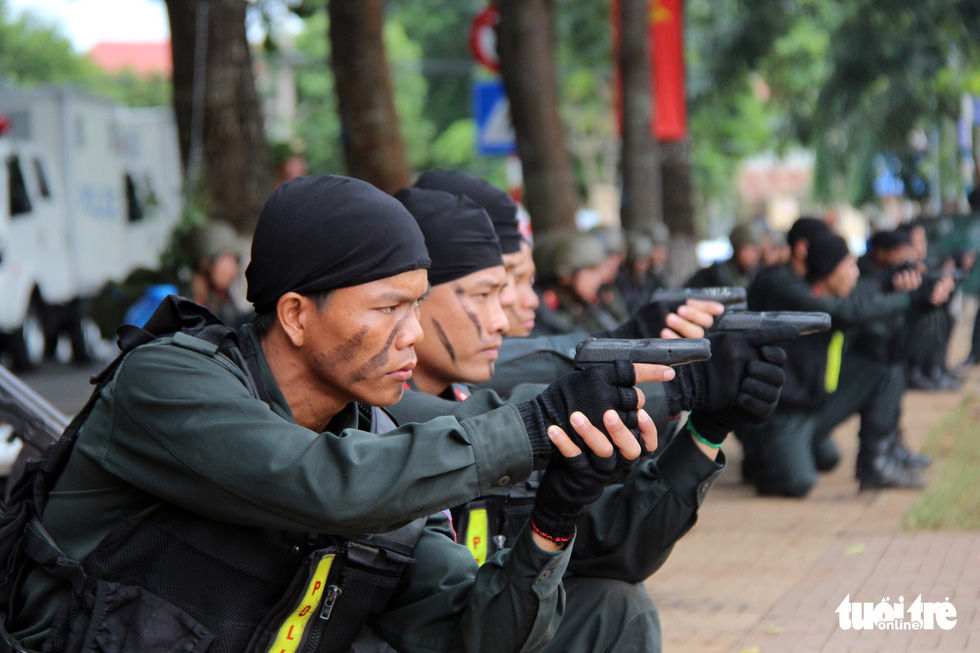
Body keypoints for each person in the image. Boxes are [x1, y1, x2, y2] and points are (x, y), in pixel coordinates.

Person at [4, 175, 660, 652]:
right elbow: (325, 483)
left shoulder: (376, 441)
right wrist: (530, 427)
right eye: (386, 308)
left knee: (613, 608)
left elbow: (479, 634)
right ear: (294, 314)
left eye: (415, 306)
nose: (412, 334)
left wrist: (553, 520)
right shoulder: (168, 381)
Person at [389, 186, 791, 652]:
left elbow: (614, 548)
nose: (509, 314)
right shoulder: (376, 419)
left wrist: (708, 429)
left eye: (513, 285)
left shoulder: (477, 391)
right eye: (486, 293)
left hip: (487, 626)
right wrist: (671, 383)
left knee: (615, 606)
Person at [746, 219, 937, 491]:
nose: (854, 273)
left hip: (811, 401)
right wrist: (908, 298)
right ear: (804, 250)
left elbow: (871, 320)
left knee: (884, 372)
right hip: (778, 409)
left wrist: (911, 295)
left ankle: (877, 462)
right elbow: (842, 311)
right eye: (847, 265)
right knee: (797, 482)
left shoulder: (821, 289)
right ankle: (762, 458)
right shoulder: (778, 284)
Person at [185, 220, 246, 328]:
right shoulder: (185, 307)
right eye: (228, 260)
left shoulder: (223, 301)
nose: (234, 269)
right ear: (205, 264)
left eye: (235, 262)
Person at [686, 222, 765, 289]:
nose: (755, 255)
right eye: (750, 249)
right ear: (737, 248)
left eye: (757, 250)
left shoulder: (759, 275)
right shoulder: (714, 274)